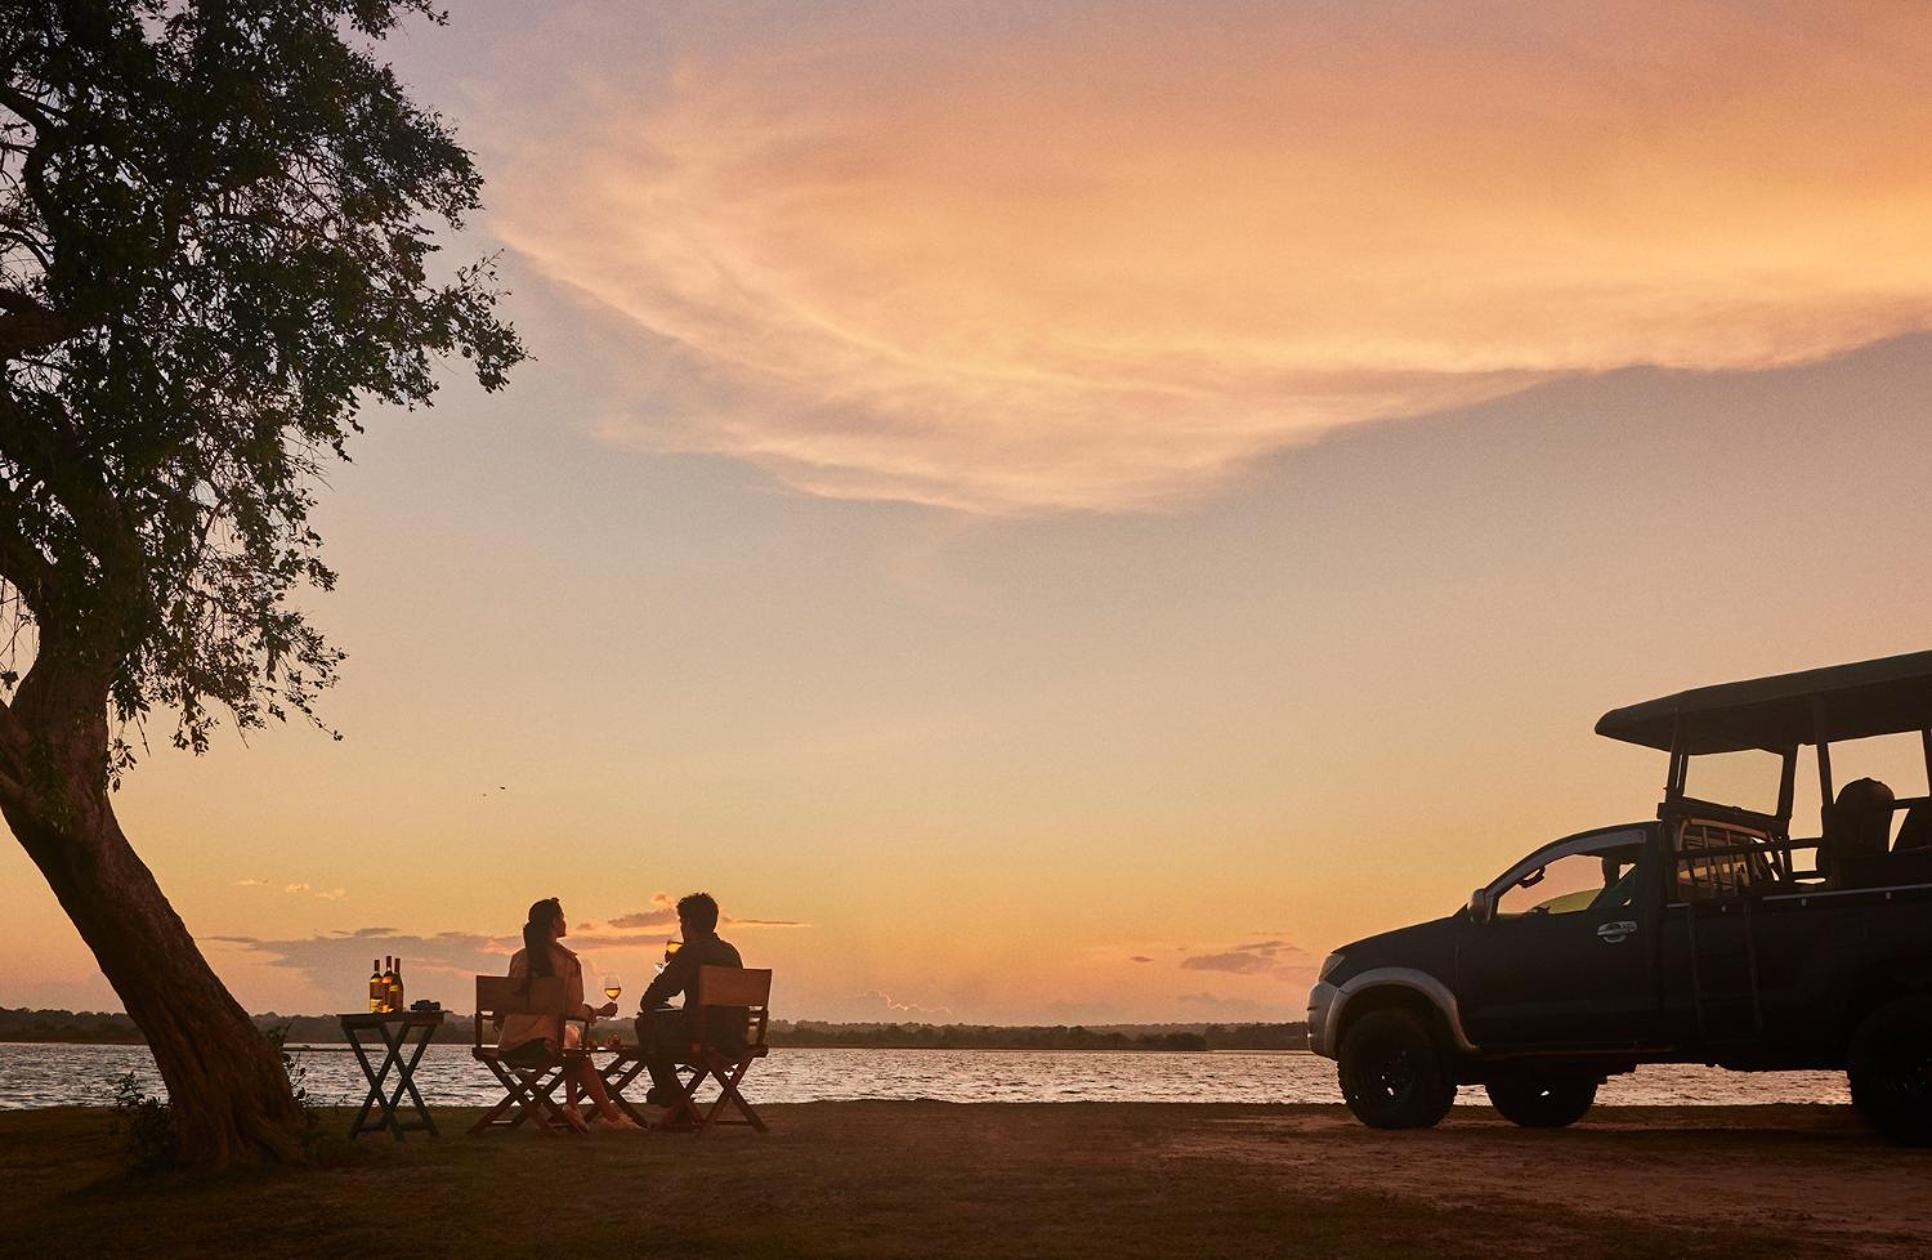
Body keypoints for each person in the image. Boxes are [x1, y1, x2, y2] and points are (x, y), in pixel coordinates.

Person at [499, 897, 642, 1132]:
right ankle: (610, 1117)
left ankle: (573, 1106)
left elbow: (508, 1004)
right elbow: (573, 1009)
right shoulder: (566, 962)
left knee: (572, 1040)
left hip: (509, 1046)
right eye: (563, 916)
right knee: (577, 1052)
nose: (565, 921)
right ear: (555, 922)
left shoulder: (518, 958)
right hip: (539, 1046)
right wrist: (600, 1012)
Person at [634, 891, 743, 1114]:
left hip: (702, 1037)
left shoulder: (691, 952)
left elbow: (650, 1000)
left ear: (688, 923)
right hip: (734, 1037)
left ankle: (669, 1094)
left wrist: (672, 967)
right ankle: (674, 1098)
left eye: (682, 922)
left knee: (646, 1022)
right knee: (661, 1018)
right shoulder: (731, 952)